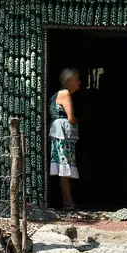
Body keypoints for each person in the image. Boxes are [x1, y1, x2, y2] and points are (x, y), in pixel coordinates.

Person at [50, 68, 81, 209]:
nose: (79, 83)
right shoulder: (65, 93)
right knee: (64, 167)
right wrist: (78, 121)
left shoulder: (55, 95)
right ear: (68, 81)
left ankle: (67, 202)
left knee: (63, 167)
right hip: (62, 134)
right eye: (77, 80)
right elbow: (71, 117)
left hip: (57, 131)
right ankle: (68, 202)